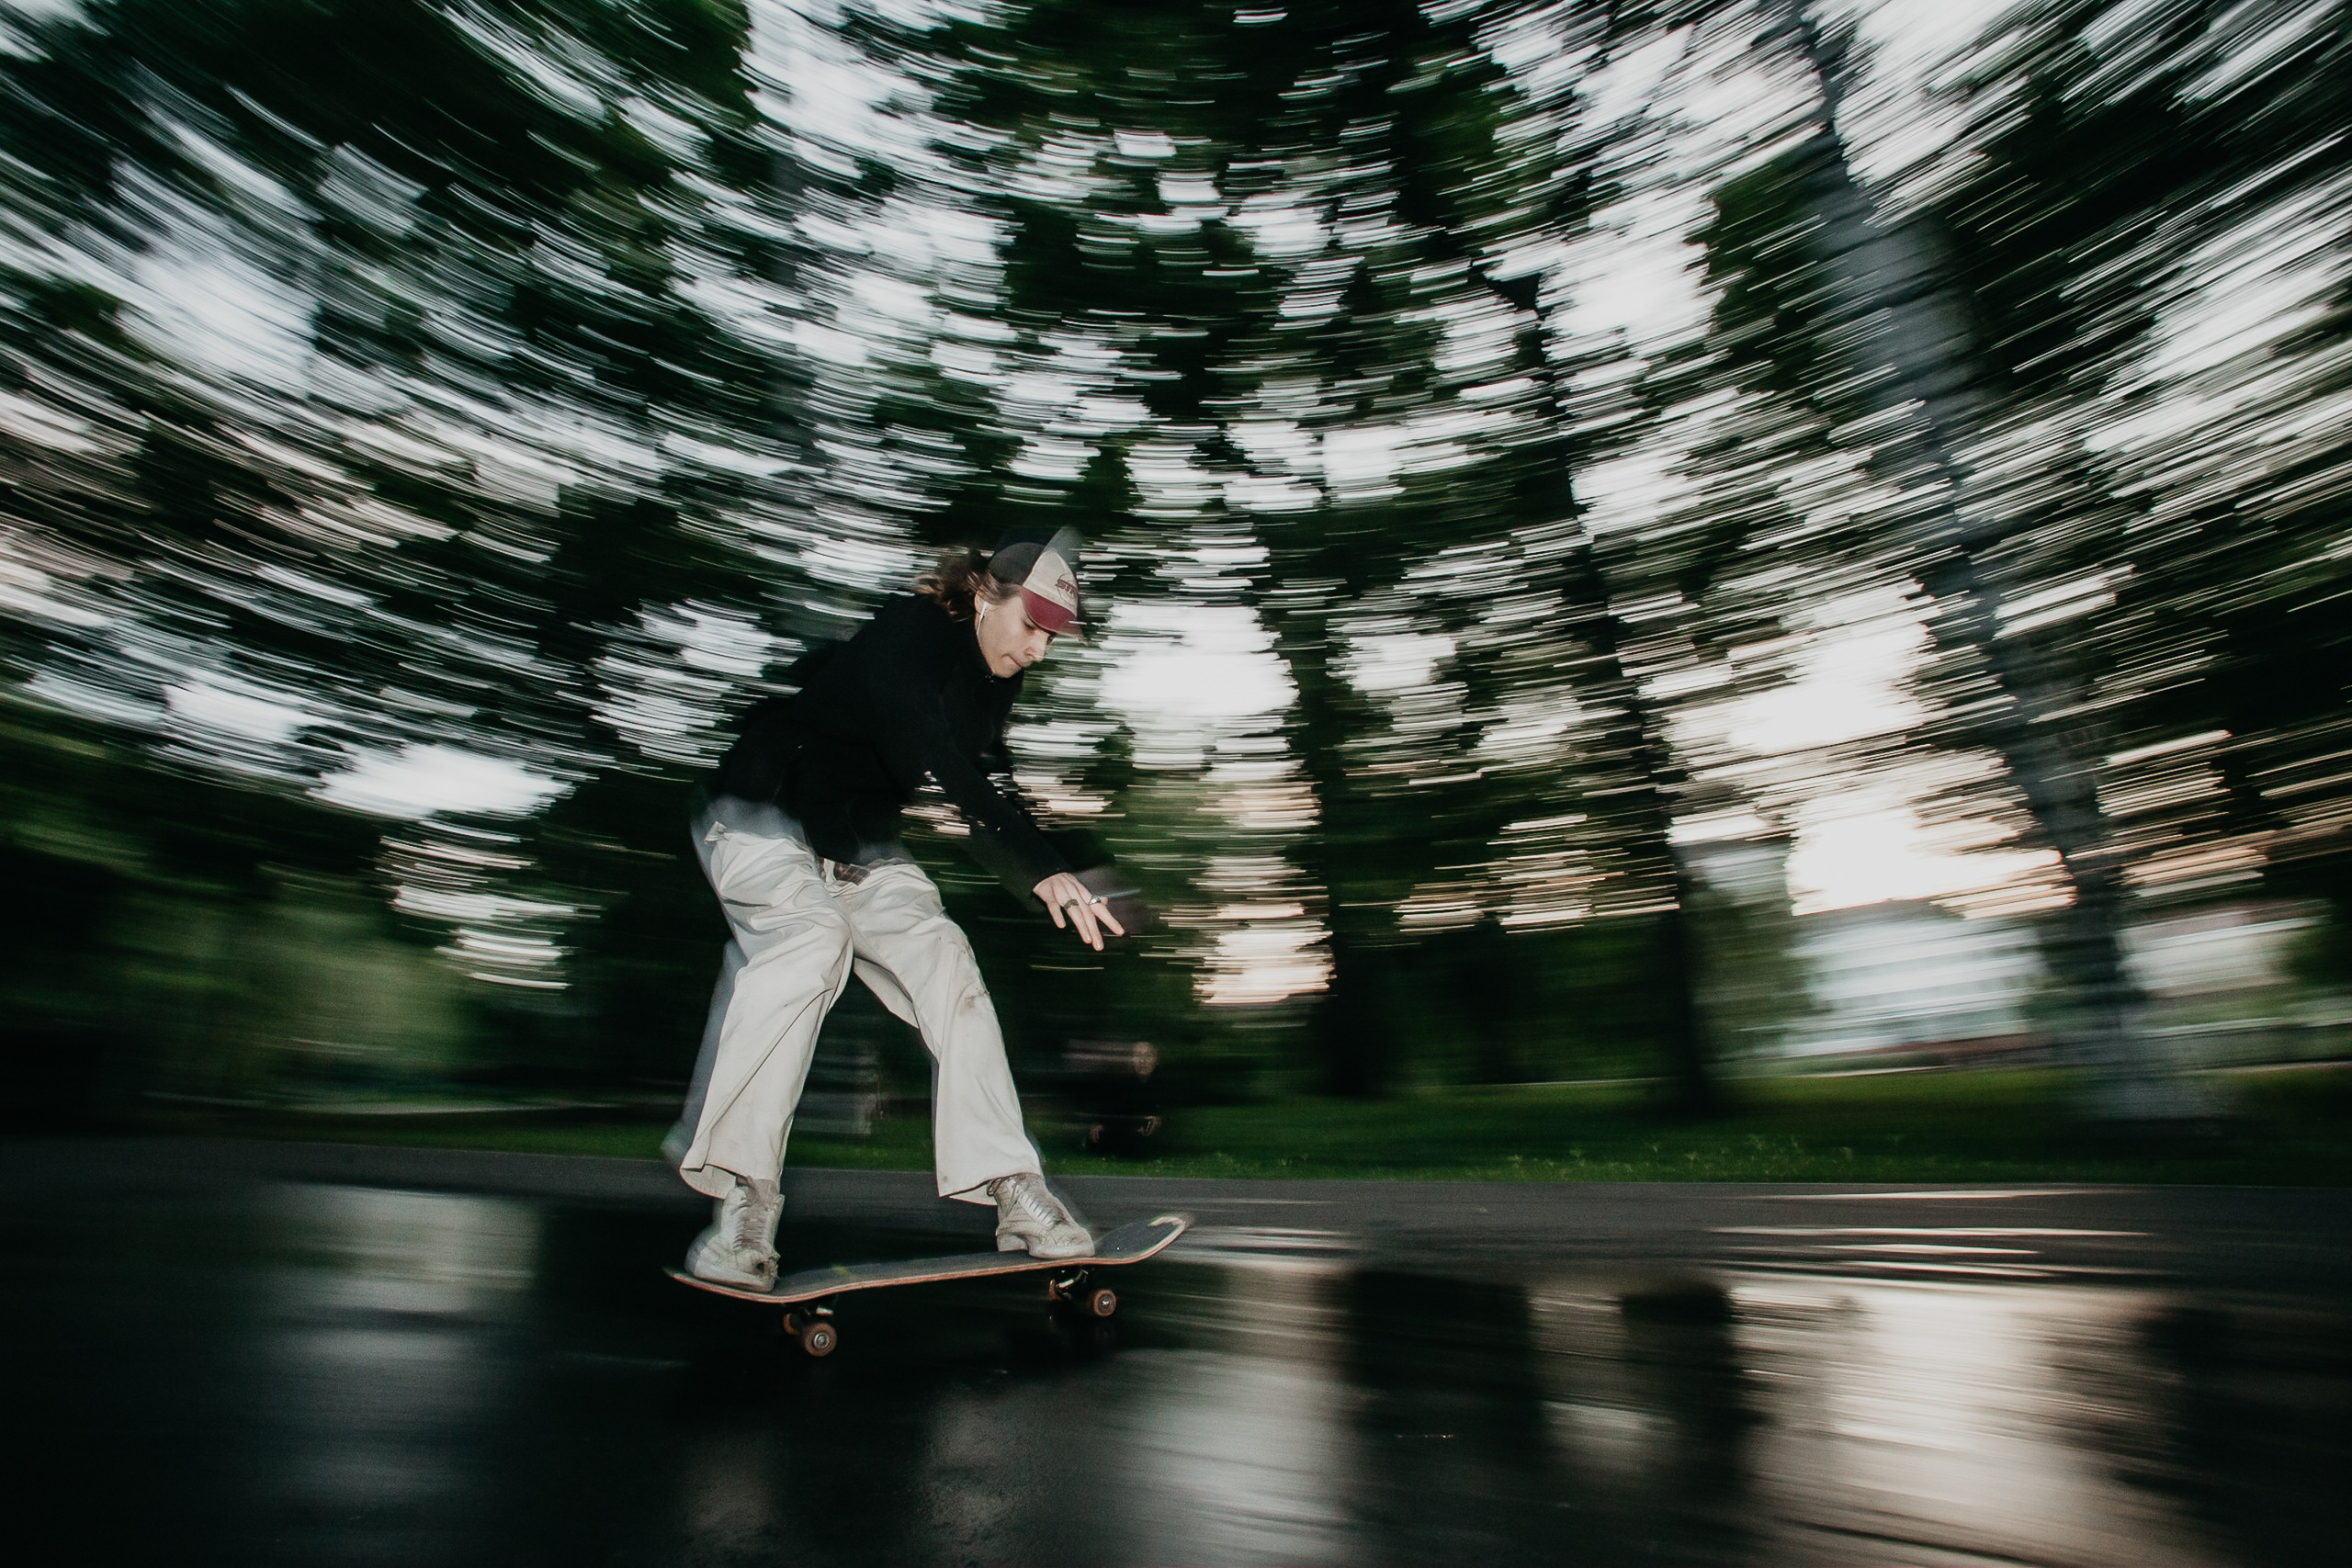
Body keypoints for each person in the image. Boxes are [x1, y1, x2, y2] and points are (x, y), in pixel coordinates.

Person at [667, 532, 1123, 1290]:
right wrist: (1039, 866)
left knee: (948, 962)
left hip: (857, 851)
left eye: (1053, 635)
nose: (1039, 649)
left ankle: (1013, 1185)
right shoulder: (906, 634)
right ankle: (745, 1204)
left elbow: (989, 780)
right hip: (759, 814)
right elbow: (934, 756)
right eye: (1031, 626)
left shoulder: (995, 680)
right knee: (810, 944)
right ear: (985, 595)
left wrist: (1075, 858)